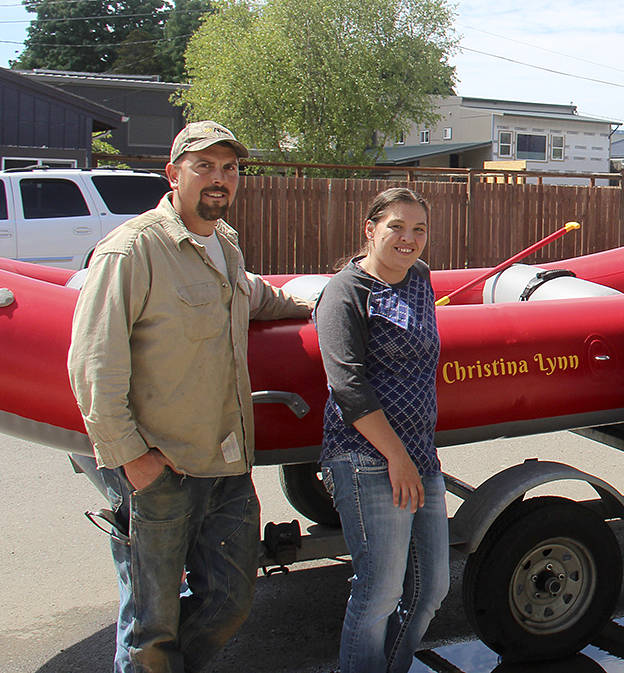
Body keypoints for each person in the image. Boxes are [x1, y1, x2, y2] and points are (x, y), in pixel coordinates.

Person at [67, 121, 313, 673]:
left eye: (229, 169)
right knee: (149, 626)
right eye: (204, 166)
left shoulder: (222, 242)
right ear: (173, 174)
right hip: (160, 468)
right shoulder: (130, 251)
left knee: (230, 599)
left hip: (224, 462)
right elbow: (92, 362)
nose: (219, 179)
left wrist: (312, 306)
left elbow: (248, 295)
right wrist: (133, 459)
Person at [316, 187, 447, 672]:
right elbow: (348, 388)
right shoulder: (345, 292)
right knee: (380, 589)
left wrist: (414, 455)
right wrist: (397, 457)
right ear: (369, 229)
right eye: (396, 226)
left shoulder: (420, 278)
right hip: (368, 458)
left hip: (419, 454)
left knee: (432, 586)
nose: (408, 239)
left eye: (419, 230)